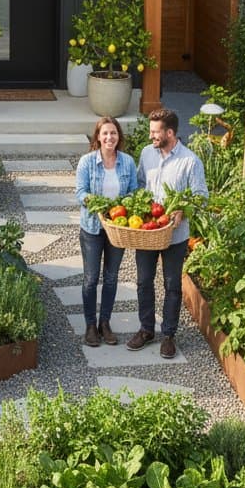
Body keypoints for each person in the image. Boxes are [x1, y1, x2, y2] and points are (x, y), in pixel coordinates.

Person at [127, 108, 208, 360]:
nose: (151, 136)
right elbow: (140, 184)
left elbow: (201, 197)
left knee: (172, 285)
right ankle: (146, 329)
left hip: (176, 235)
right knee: (144, 281)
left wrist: (183, 209)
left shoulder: (190, 161)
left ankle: (169, 335)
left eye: (155, 132)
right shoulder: (146, 153)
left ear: (170, 133)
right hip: (148, 231)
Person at [75, 117, 137, 348]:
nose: (110, 137)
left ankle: (105, 323)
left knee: (111, 278)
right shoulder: (87, 162)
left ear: (119, 136)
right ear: (98, 137)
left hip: (117, 229)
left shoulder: (127, 162)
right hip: (92, 227)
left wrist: (122, 205)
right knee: (91, 279)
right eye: (105, 133)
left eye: (113, 133)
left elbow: (134, 191)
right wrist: (94, 202)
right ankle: (90, 326)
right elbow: (80, 192)